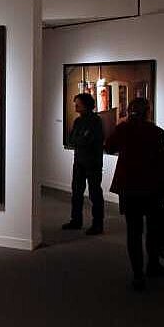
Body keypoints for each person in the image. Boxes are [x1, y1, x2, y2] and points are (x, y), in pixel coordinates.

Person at [105, 98, 164, 291]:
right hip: (153, 187)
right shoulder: (155, 132)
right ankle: (153, 265)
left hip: (129, 187)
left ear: (129, 111)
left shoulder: (123, 129)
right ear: (148, 112)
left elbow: (109, 147)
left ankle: (138, 275)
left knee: (133, 232)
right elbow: (163, 162)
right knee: (153, 229)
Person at [64, 93, 105, 235]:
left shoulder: (95, 121)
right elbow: (72, 140)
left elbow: (87, 140)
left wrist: (80, 140)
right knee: (76, 192)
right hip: (79, 162)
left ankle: (98, 224)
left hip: (93, 163)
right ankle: (76, 220)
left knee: (95, 194)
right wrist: (81, 139)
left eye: (78, 103)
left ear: (86, 105)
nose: (75, 106)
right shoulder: (78, 121)